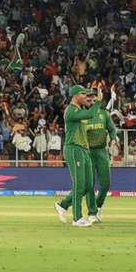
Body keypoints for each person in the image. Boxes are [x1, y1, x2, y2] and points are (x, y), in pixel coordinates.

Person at [55, 85, 96, 227]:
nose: (84, 97)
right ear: (75, 96)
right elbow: (91, 114)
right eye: (82, 94)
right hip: (73, 148)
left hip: (84, 149)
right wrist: (99, 103)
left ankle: (63, 204)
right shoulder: (71, 110)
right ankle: (77, 218)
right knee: (79, 184)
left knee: (88, 185)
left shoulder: (79, 110)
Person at [82, 89, 113, 222]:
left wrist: (114, 139)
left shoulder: (104, 114)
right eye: (89, 101)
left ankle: (98, 205)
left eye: (94, 100)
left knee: (106, 183)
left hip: (101, 151)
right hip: (87, 151)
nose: (92, 103)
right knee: (90, 184)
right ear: (85, 102)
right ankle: (92, 213)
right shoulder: (82, 115)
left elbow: (111, 129)